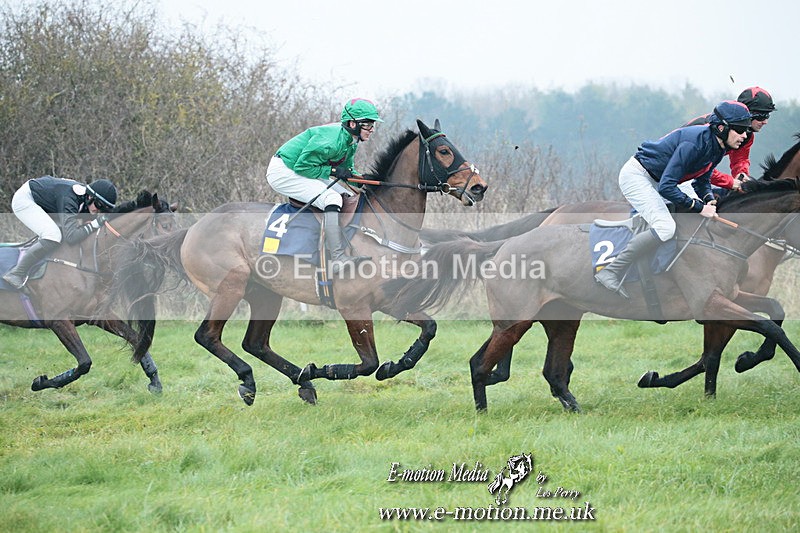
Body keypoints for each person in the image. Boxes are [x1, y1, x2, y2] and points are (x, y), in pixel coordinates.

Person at [594, 100, 752, 298]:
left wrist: (708, 198)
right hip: (638, 176)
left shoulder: (717, 146)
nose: (745, 135)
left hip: (660, 178)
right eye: (739, 130)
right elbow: (667, 187)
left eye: (746, 130)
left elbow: (701, 180)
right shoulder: (694, 143)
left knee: (691, 218)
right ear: (721, 127)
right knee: (666, 227)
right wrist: (698, 207)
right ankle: (612, 270)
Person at [266, 98, 383, 273]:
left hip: (303, 167)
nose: (372, 129)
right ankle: (337, 258)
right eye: (367, 124)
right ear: (352, 124)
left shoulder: (350, 140)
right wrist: (335, 172)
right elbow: (302, 167)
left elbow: (347, 170)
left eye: (372, 124)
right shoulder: (331, 141)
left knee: (349, 197)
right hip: (284, 171)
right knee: (332, 198)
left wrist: (363, 180)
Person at [2, 176, 118, 289]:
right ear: (89, 197)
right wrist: (95, 224)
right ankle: (16, 273)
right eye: (98, 205)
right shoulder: (70, 198)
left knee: (63, 234)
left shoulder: (85, 200)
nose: (98, 211)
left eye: (104, 209)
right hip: (26, 199)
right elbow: (72, 237)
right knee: (53, 236)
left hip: (47, 202)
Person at [683, 86, 776, 192]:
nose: (765, 122)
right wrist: (730, 182)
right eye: (761, 116)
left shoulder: (746, 134)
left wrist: (741, 174)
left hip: (694, 174)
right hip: (676, 172)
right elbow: (700, 167)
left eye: (767, 116)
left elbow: (740, 159)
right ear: (748, 113)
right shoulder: (712, 129)